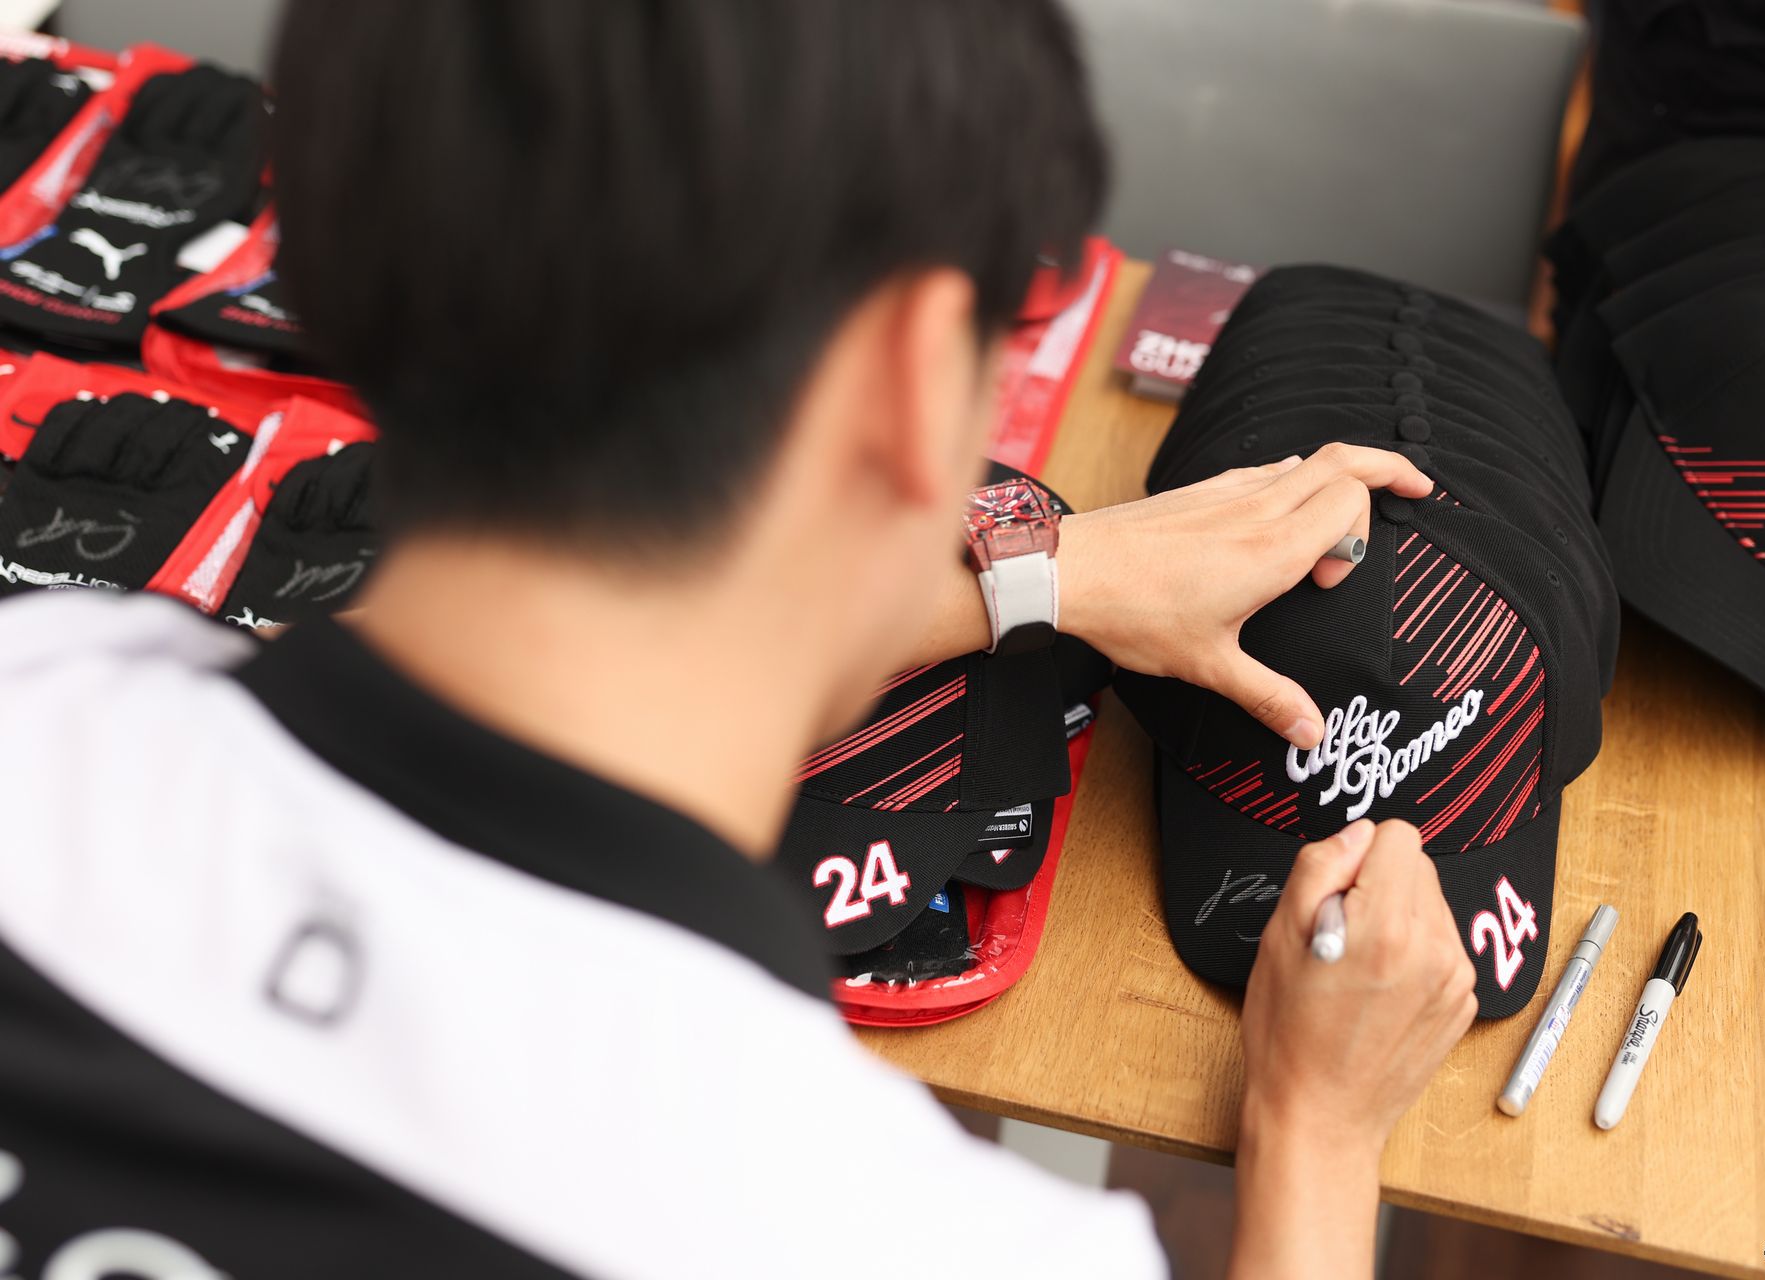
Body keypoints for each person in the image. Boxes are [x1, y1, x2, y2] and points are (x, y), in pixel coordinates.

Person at [0, 2, 1475, 1276]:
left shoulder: (40, 690)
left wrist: (1052, 576)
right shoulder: (922, 1245)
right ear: (915, 378)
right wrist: (1317, 1135)